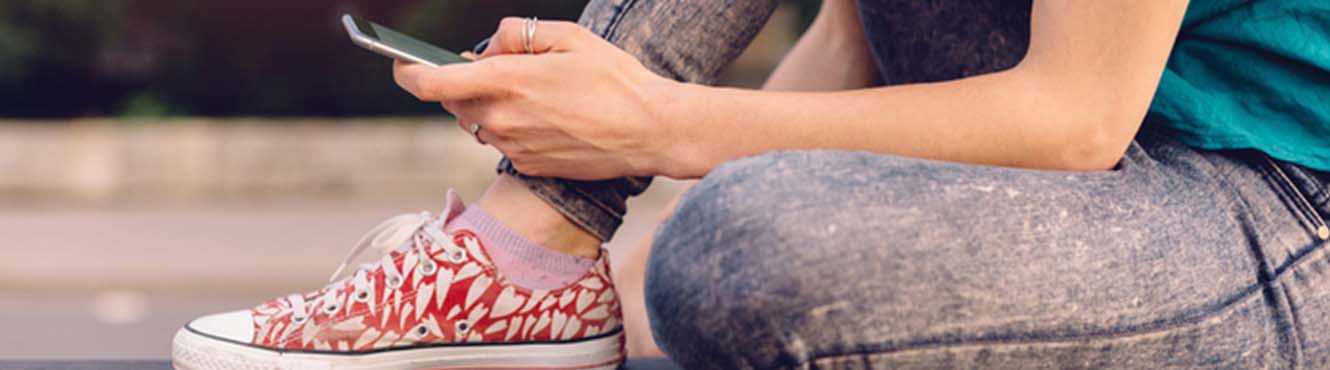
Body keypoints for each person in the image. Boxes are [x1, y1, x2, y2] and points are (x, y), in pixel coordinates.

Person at [172, 0, 1330, 369]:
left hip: (1271, 202)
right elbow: (856, 43)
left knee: (742, 246)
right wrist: (584, 259)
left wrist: (657, 124)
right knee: (698, 252)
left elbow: (1075, 115)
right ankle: (520, 258)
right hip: (1086, 171)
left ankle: (527, 254)